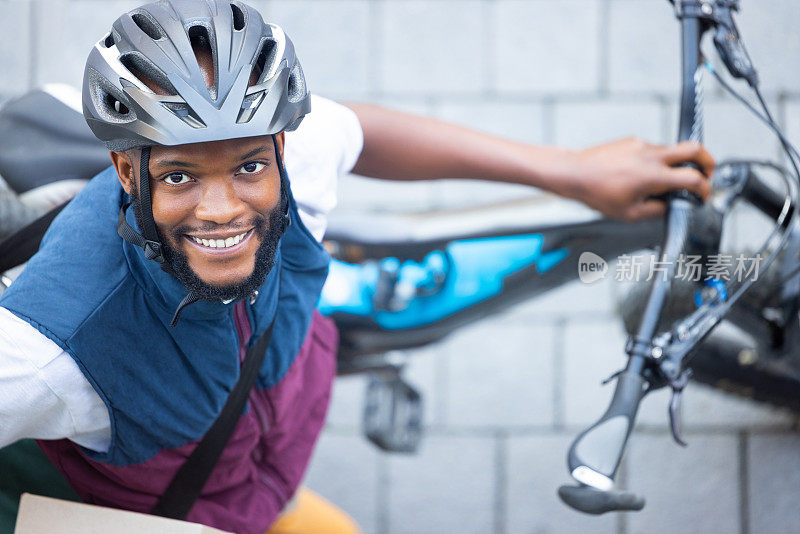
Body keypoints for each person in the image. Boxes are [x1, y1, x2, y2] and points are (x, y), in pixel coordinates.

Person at [0, 1, 715, 533]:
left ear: (281, 146)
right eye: (181, 176)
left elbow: (359, 130)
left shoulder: (296, 154)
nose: (222, 210)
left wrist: (571, 172)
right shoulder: (46, 354)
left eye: (248, 165)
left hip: (261, 469)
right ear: (127, 168)